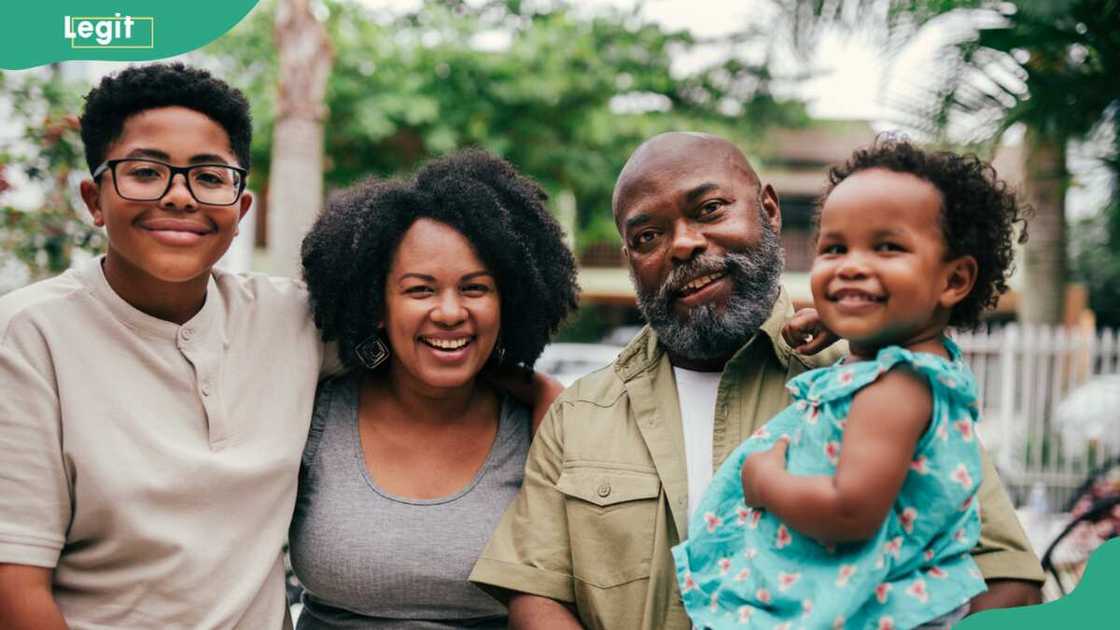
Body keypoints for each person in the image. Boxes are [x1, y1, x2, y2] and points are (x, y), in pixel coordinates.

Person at [469, 132, 1045, 630]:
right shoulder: (580, 416)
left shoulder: (876, 377)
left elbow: (1009, 584)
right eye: (648, 236)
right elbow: (535, 596)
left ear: (769, 210)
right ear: (629, 259)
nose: (685, 244)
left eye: (711, 209)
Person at [0, 63, 326, 628]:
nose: (179, 197)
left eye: (209, 176)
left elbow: (422, 351)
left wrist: (529, 390)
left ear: (240, 208)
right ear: (93, 200)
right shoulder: (27, 338)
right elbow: (15, 586)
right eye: (146, 172)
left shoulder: (295, 321)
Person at [672, 138, 1028, 629]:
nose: (852, 265)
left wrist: (767, 483)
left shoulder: (895, 390)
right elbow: (904, 326)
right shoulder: (912, 359)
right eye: (835, 247)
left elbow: (849, 513)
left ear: (953, 280)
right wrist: (840, 322)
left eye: (887, 247)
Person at [288, 149, 579, 629]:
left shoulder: (542, 424)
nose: (449, 312)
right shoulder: (315, 414)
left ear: (508, 301)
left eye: (474, 288)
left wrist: (546, 394)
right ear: (376, 305)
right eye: (420, 290)